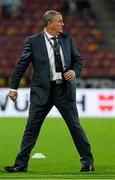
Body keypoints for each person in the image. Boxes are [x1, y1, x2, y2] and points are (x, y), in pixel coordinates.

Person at [4, 10, 94, 173]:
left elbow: (78, 61)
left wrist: (74, 72)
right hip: (41, 92)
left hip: (64, 90)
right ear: (49, 23)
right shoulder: (33, 41)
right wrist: (13, 88)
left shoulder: (67, 39)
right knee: (31, 128)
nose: (62, 24)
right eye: (59, 21)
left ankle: (88, 162)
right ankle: (21, 164)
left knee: (75, 127)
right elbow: (21, 65)